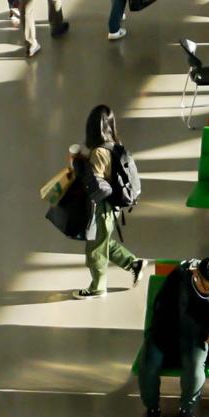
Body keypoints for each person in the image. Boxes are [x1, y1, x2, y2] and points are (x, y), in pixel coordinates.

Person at [45, 113, 143, 298]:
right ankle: (133, 263)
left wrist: (78, 164)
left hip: (102, 208)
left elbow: (95, 183)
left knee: (95, 250)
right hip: (112, 208)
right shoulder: (116, 144)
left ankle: (98, 288)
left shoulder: (99, 151)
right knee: (102, 241)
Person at [136, 256, 209, 417]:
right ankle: (152, 411)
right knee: (148, 366)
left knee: (195, 370)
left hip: (197, 338)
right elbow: (171, 317)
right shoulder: (178, 279)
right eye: (206, 287)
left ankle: (186, 412)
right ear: (196, 273)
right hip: (166, 331)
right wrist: (206, 335)